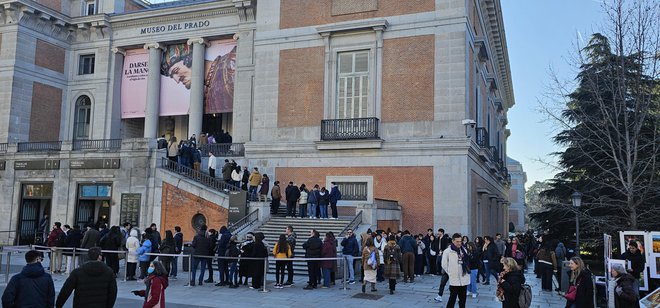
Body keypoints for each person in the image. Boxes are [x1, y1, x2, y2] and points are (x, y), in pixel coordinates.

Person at [441, 233, 470, 308]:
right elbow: (444, 264)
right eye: (457, 241)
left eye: (460, 241)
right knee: (452, 298)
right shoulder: (447, 251)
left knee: (463, 299)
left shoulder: (464, 250)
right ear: (453, 241)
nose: (459, 243)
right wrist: (451, 272)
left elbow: (467, 262)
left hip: (464, 278)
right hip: (454, 279)